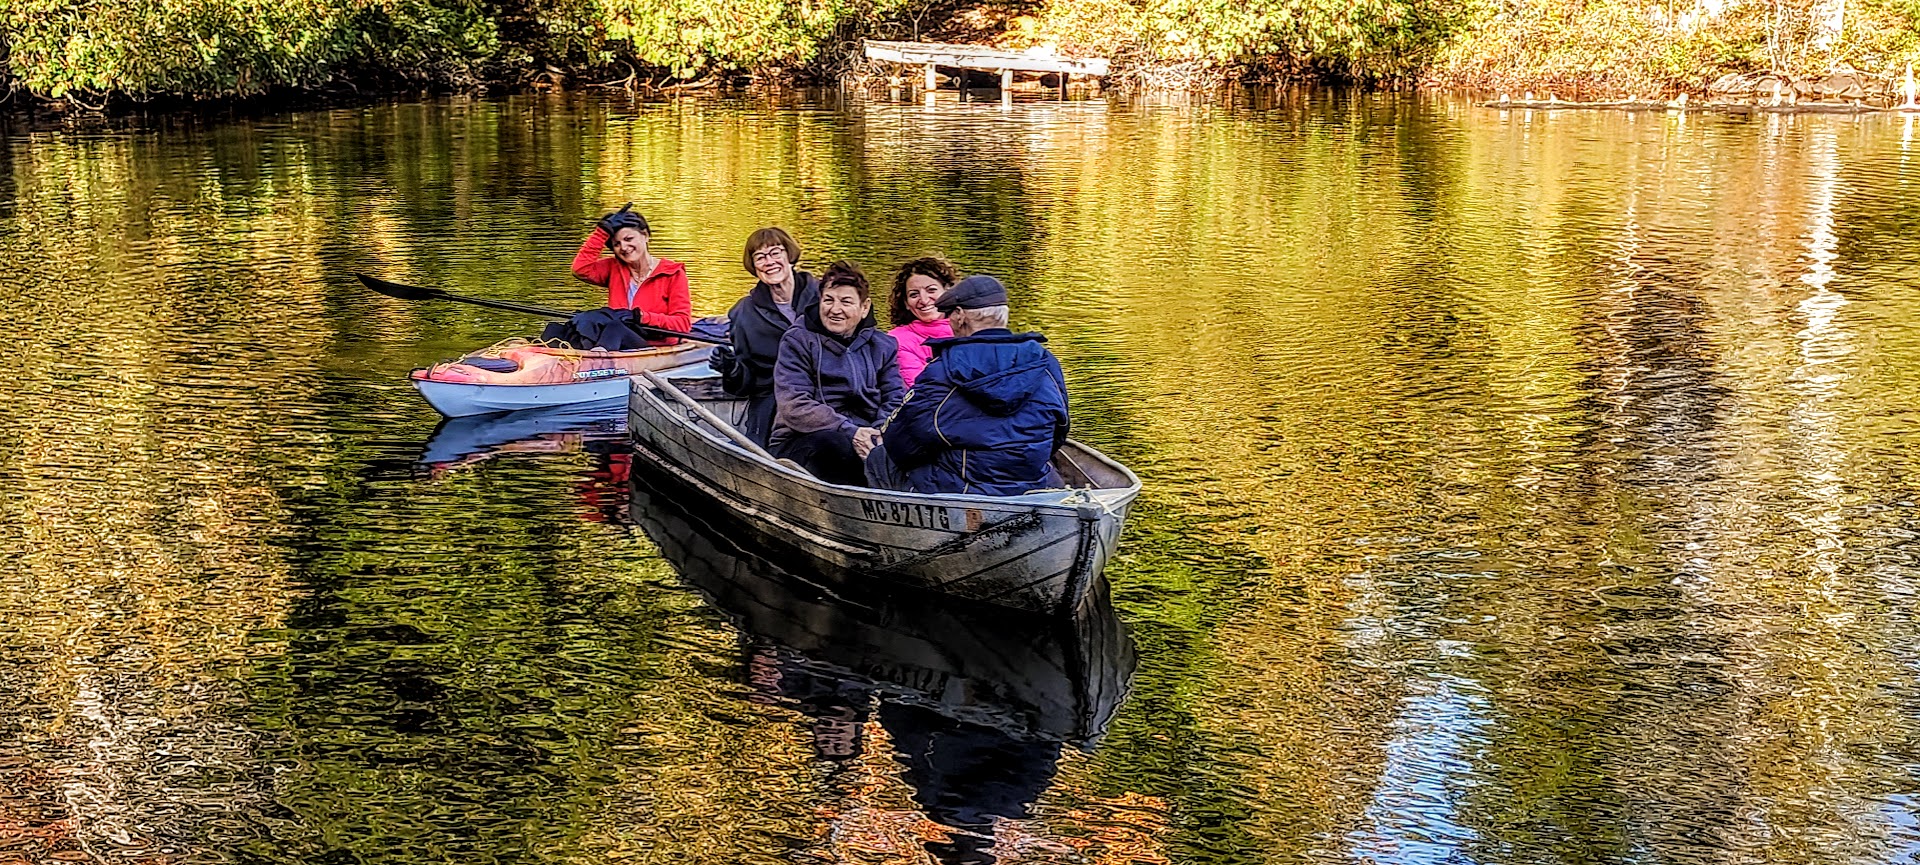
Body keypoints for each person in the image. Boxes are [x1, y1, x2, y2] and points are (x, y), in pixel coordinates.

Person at [865, 275, 1068, 496]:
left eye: (950, 313)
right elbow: (1059, 430)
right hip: (1032, 485)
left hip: (963, 491)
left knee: (879, 457)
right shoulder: (1046, 362)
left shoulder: (943, 369)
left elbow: (901, 444)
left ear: (960, 316)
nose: (949, 321)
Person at [770, 261, 904, 486]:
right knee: (836, 445)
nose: (835, 309)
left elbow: (896, 396)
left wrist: (879, 432)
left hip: (869, 432)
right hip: (805, 438)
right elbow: (794, 405)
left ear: (864, 307)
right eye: (829, 300)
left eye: (846, 302)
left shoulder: (883, 346)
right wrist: (850, 431)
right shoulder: (797, 341)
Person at [712, 227, 820, 446]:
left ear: (789, 255)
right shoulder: (744, 313)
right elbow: (747, 383)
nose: (769, 261)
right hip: (773, 399)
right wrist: (731, 369)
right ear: (754, 266)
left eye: (775, 252)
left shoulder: (824, 296)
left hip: (828, 390)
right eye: (760, 257)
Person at [558, 203, 692, 349]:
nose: (623, 247)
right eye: (616, 244)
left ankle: (596, 359)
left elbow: (682, 324)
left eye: (629, 239)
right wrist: (602, 232)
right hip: (615, 341)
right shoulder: (613, 267)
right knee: (572, 326)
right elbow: (580, 269)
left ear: (645, 235)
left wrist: (641, 317)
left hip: (652, 343)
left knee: (616, 328)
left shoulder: (673, 273)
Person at [885, 256, 959, 388]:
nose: (924, 300)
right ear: (906, 303)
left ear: (948, 292)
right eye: (914, 294)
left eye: (931, 290)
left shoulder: (970, 329)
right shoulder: (896, 340)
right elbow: (921, 389)